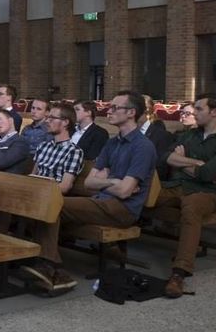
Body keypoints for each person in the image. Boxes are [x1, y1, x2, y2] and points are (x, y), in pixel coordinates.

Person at [22, 91, 157, 294]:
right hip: (101, 201)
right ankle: (47, 264)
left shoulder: (143, 147)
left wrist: (106, 181)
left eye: (114, 108)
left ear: (131, 112)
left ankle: (53, 268)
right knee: (46, 205)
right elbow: (90, 183)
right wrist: (112, 181)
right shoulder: (112, 142)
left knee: (53, 205)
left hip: (122, 210)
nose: (108, 111)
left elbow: (125, 191)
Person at [157, 94, 216, 298]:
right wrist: (197, 163)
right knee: (141, 194)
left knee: (191, 209)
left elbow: (207, 175)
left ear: (214, 112)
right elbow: (165, 157)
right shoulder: (189, 135)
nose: (194, 112)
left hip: (207, 192)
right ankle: (114, 246)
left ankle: (179, 273)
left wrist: (183, 159)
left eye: (199, 109)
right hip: (177, 185)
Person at [32, 102, 84, 195]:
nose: (47, 121)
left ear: (65, 122)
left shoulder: (73, 152)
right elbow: (33, 175)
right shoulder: (43, 146)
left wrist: (39, 191)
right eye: (48, 118)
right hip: (35, 191)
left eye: (52, 118)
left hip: (51, 196)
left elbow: (65, 187)